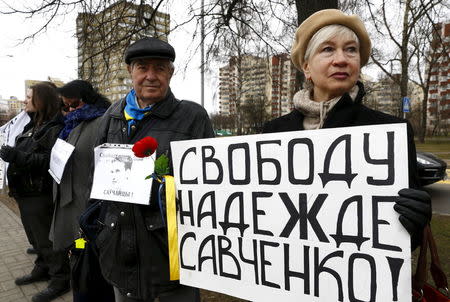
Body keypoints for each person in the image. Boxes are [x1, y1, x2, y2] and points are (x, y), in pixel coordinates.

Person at [263, 9, 431, 250]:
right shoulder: (274, 133)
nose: (341, 59)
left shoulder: (390, 132)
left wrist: (416, 219)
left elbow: (403, 244)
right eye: (328, 49)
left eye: (351, 49)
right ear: (307, 68)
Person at [92, 37, 214, 302]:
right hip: (118, 252)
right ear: (130, 72)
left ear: (170, 73)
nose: (150, 76)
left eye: (159, 68)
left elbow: (210, 188)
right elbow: (99, 180)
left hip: (167, 255)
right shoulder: (111, 116)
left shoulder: (192, 117)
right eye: (142, 67)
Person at [0, 82, 71, 302]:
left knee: (47, 240)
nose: (25, 100)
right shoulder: (33, 125)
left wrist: (16, 156)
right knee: (35, 238)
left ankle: (60, 279)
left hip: (39, 193)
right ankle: (42, 268)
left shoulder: (55, 128)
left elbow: (50, 162)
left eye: (29, 97)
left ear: (42, 100)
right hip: (25, 192)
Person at [48, 80, 113, 302]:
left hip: (85, 210)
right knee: (76, 257)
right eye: (65, 106)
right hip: (70, 204)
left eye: (70, 104)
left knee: (83, 256)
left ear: (82, 99)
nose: (67, 109)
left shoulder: (101, 123)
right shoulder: (73, 123)